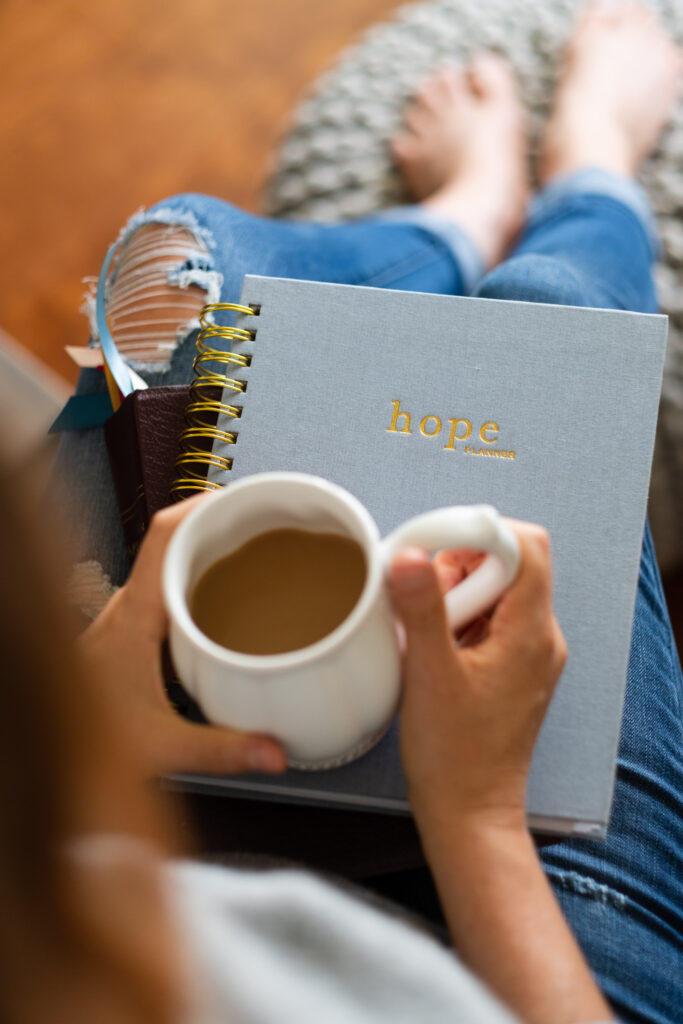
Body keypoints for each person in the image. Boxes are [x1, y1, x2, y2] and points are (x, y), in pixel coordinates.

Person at [31, 2, 681, 1022]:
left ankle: (455, 221)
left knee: (165, 265)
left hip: (100, 828)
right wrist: (474, 820)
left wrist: (59, 754)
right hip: (503, 944)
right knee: (548, 306)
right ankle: (587, 171)